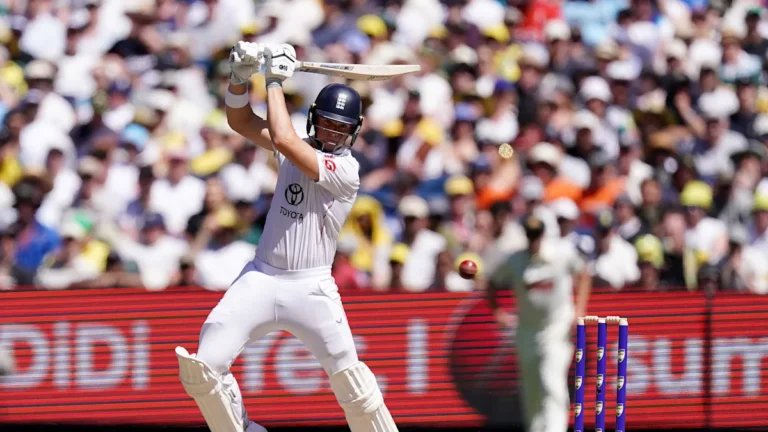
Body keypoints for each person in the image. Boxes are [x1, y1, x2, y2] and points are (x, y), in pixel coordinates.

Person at [174, 41, 398, 432]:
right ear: (314, 119)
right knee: (203, 369)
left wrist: (274, 80)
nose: (332, 134)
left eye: (341, 129)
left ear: (355, 133)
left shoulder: (346, 171)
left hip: (310, 288)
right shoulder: (296, 148)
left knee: (354, 384)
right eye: (327, 123)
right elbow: (240, 121)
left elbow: (284, 138)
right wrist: (240, 79)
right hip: (260, 277)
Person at [486, 214, 592, 432]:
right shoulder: (515, 260)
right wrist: (497, 312)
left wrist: (579, 311)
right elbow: (492, 281)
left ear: (543, 235)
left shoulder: (561, 254)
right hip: (527, 332)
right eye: (530, 236)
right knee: (531, 390)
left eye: (537, 236)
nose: (534, 241)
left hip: (557, 328)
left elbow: (583, 273)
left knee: (551, 380)